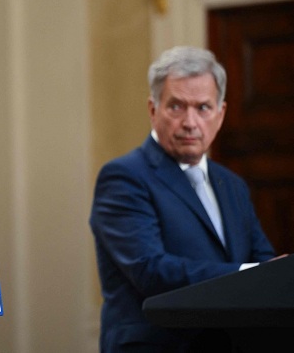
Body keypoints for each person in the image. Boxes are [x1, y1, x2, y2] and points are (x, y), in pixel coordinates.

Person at [89, 45, 282, 352]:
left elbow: (264, 263)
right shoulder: (124, 177)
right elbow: (150, 270)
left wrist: (271, 274)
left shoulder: (232, 185)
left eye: (203, 108)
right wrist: (247, 274)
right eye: (177, 107)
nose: (191, 122)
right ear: (153, 110)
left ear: (221, 115)